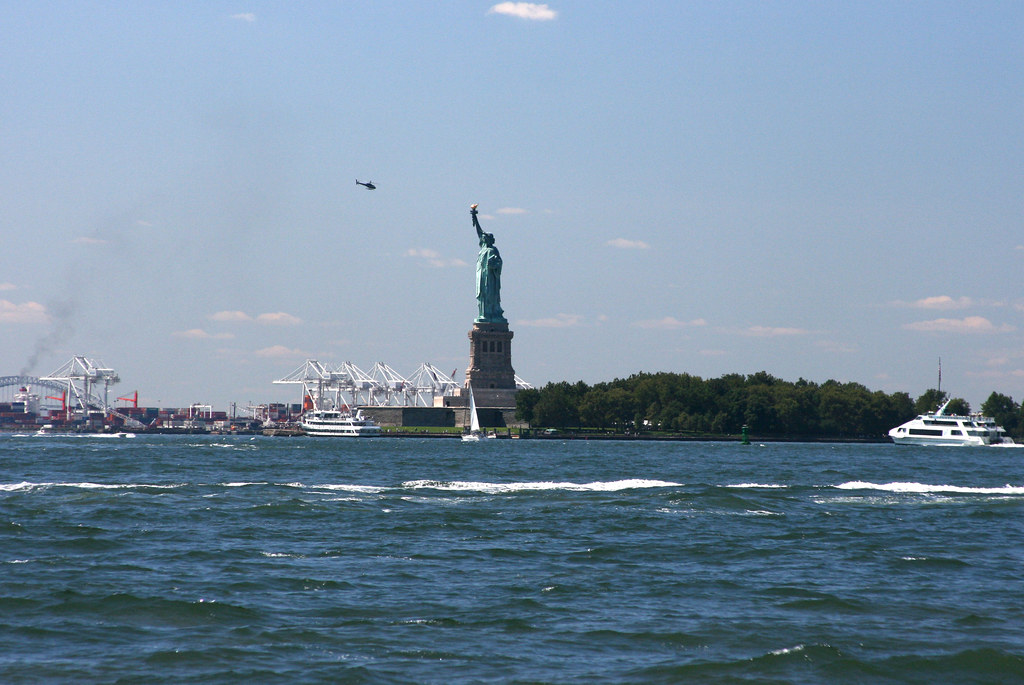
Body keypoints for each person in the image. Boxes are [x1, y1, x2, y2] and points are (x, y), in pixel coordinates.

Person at [471, 205, 506, 323]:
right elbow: (479, 231)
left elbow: (499, 263)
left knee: (489, 296)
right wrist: (474, 216)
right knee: (482, 296)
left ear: (490, 240)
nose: (483, 238)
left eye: (486, 237)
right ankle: (483, 314)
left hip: (490, 279)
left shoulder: (492, 250)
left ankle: (491, 314)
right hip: (481, 276)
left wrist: (494, 265)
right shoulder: (483, 248)